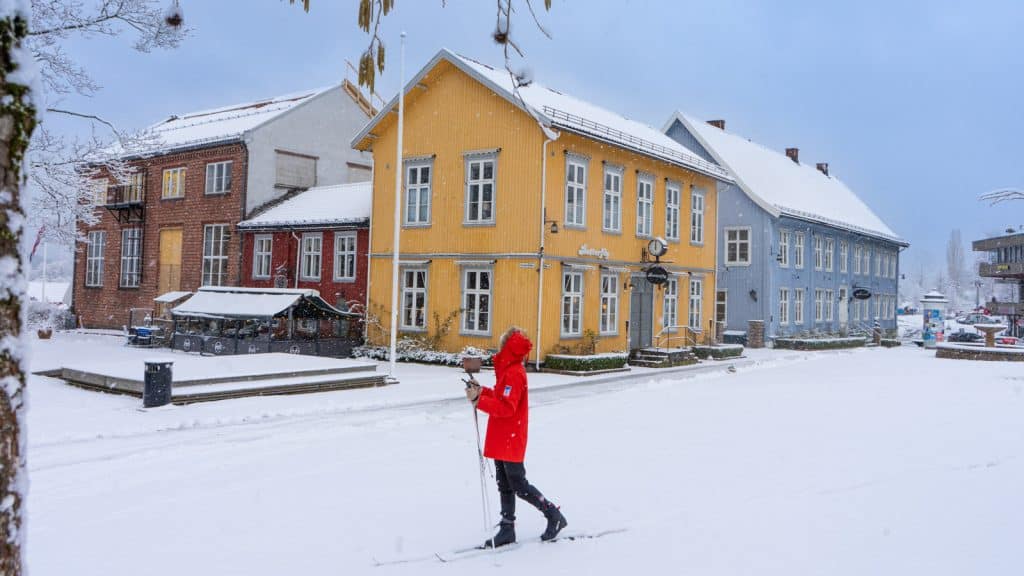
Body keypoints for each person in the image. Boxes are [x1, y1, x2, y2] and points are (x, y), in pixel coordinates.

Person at [465, 326, 567, 548]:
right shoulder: (508, 370)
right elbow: (500, 396)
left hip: (510, 437)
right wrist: (482, 391)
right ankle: (507, 527)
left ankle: (553, 514)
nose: (499, 347)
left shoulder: (514, 373)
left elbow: (507, 407)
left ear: (508, 348)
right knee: (504, 483)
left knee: (518, 484)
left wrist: (479, 401)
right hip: (503, 435)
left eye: (502, 343)